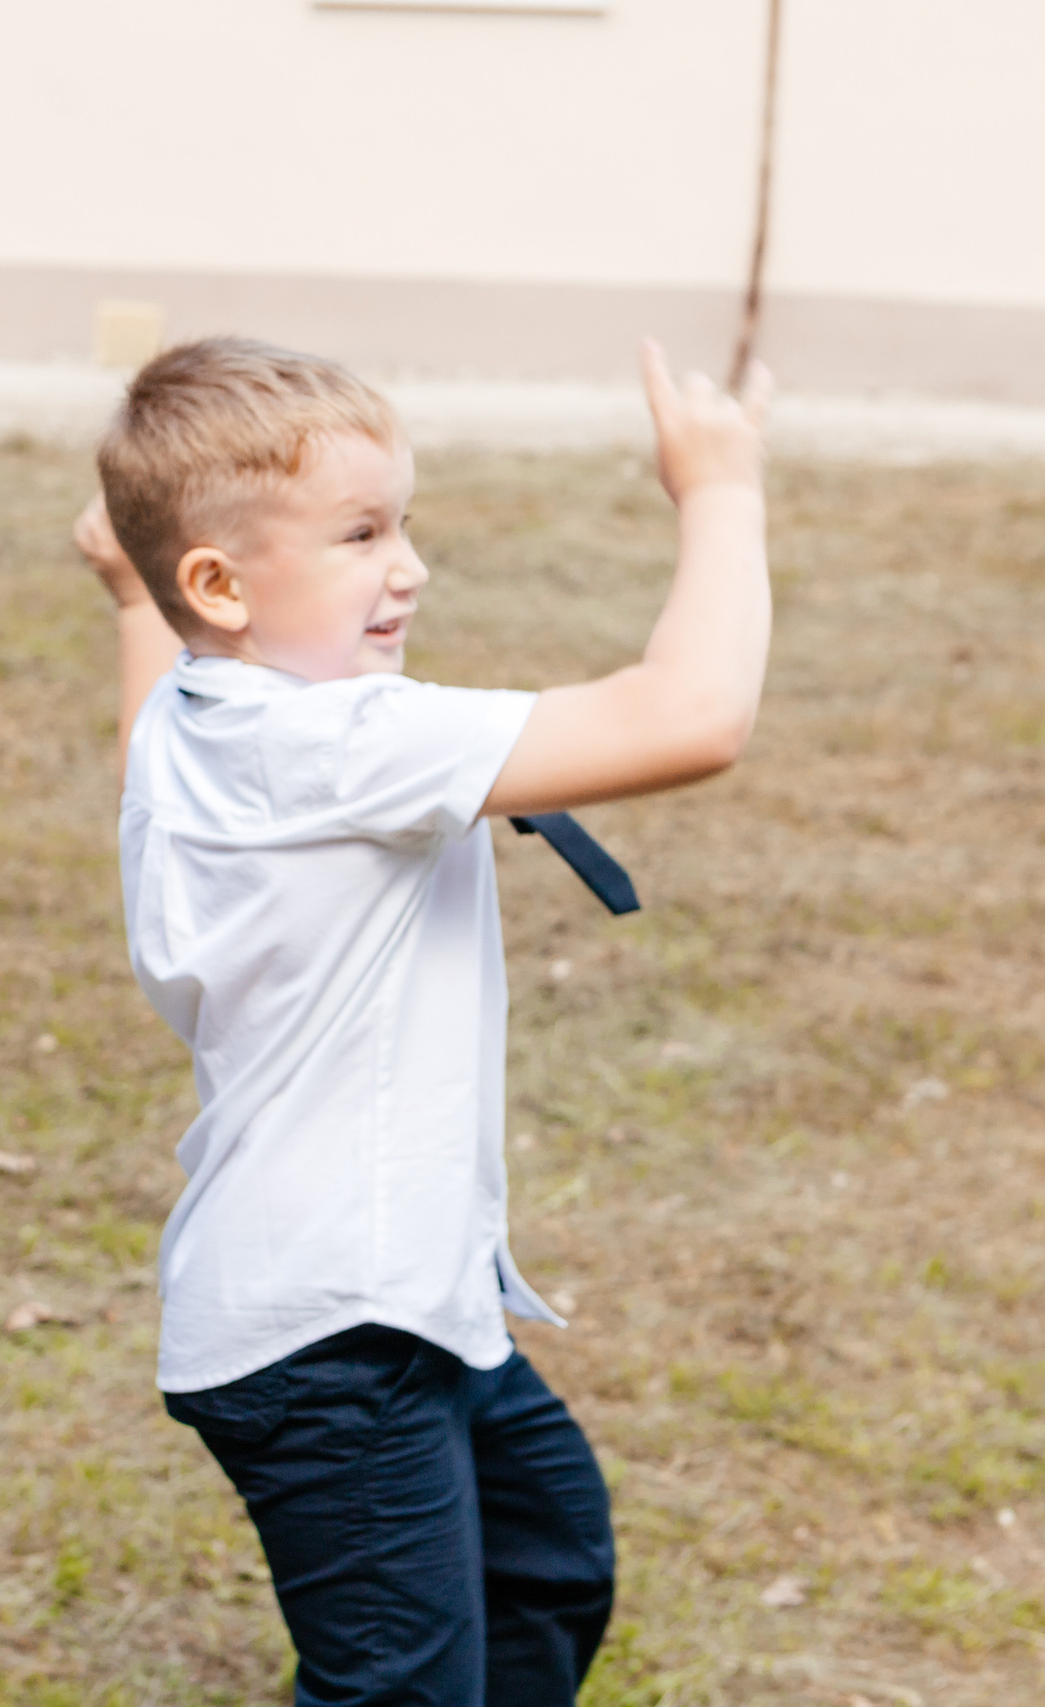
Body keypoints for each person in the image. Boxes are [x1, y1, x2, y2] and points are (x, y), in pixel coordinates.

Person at [72, 335, 773, 1706]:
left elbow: (146, 712)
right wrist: (721, 489)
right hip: (335, 1330)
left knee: (544, 1562)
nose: (411, 564)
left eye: (403, 520)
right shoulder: (335, 745)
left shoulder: (212, 717)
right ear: (220, 584)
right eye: (360, 532)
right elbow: (693, 719)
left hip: (391, 1299)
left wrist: (130, 597)